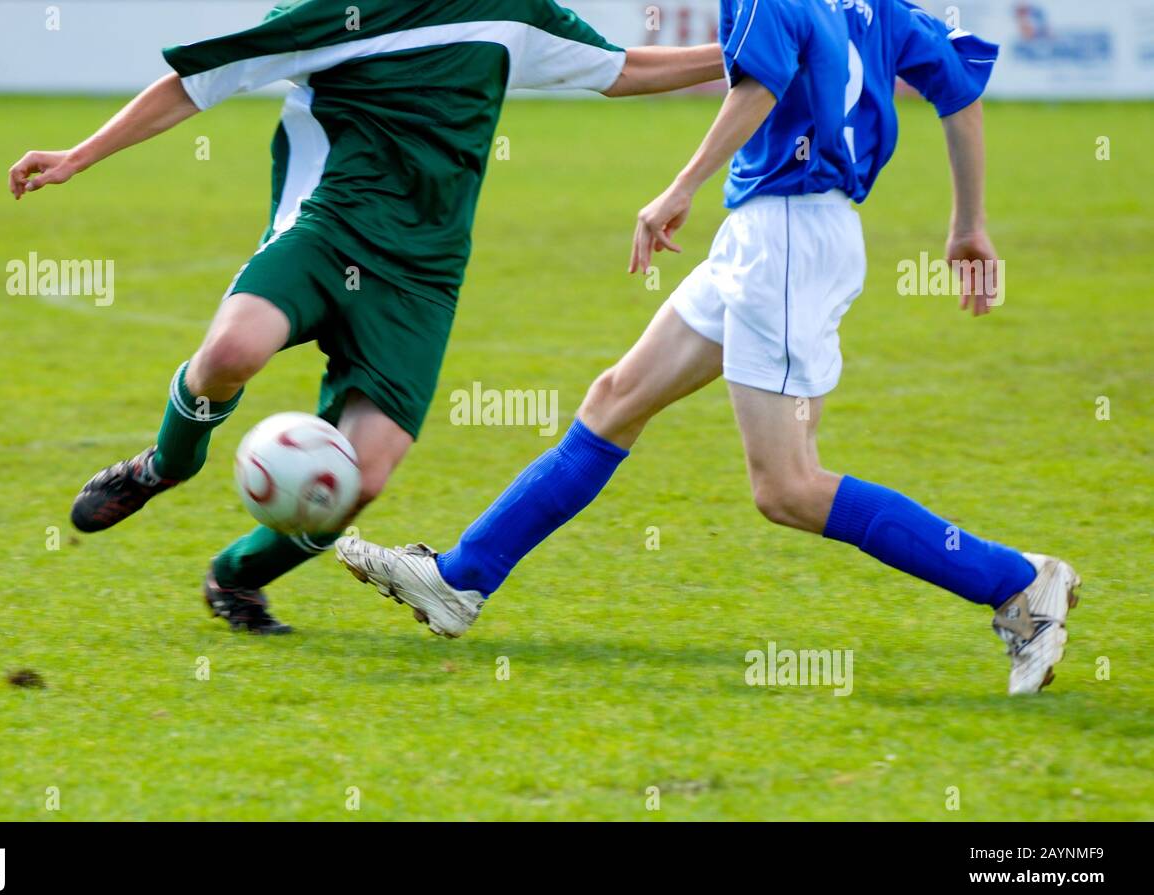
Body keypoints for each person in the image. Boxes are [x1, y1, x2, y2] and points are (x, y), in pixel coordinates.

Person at [336, 0, 1081, 695]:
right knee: (617, 398)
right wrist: (967, 222)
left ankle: (1016, 583)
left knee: (788, 485)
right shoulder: (872, 6)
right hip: (779, 234)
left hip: (784, 237)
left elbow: (763, 80)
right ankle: (462, 578)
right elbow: (959, 85)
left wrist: (680, 185)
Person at [7, 1, 726, 633]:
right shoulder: (335, 7)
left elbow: (621, 68)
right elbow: (196, 84)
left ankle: (238, 576)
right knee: (232, 351)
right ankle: (164, 464)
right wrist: (80, 155)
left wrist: (746, 52)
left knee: (360, 479)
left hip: (422, 277)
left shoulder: (512, 9)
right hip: (327, 228)